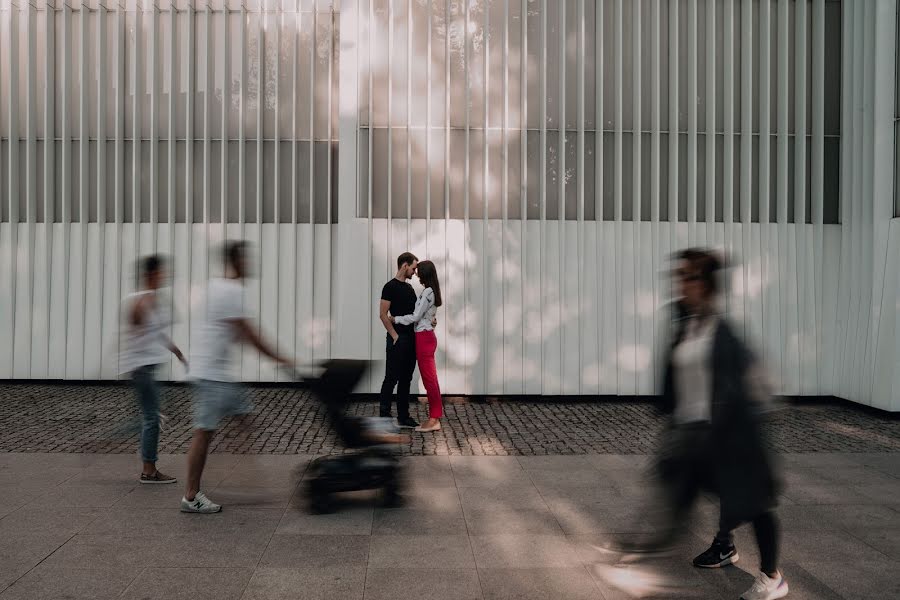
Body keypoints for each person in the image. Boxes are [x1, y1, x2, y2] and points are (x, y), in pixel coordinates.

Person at [654, 248, 788, 600]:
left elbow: (745, 386)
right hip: (697, 435)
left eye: (690, 276)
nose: (681, 282)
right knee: (691, 495)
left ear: (709, 284)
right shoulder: (686, 323)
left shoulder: (722, 331)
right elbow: (676, 379)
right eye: (679, 275)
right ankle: (720, 545)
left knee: (754, 504)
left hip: (732, 436)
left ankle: (772, 576)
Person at [181, 241, 294, 514]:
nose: (250, 264)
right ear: (236, 261)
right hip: (211, 374)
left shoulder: (216, 286)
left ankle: (246, 477)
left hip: (220, 373)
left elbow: (238, 332)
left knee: (244, 419)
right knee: (204, 432)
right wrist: (280, 358)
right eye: (246, 259)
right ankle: (191, 496)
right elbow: (248, 332)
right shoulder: (231, 291)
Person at [120, 255, 187, 484]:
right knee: (152, 418)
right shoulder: (140, 301)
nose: (165, 276)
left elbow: (155, 332)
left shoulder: (154, 299)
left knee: (151, 416)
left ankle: (119, 440)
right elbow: (134, 334)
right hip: (142, 369)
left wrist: (176, 351)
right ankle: (148, 471)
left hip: (147, 368)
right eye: (161, 272)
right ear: (150, 274)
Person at [391, 260, 444, 432]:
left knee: (430, 380)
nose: (417, 274)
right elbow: (426, 315)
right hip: (424, 336)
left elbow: (415, 316)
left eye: (419, 271)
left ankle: (434, 419)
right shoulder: (430, 291)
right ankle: (434, 417)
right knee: (431, 379)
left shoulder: (428, 291)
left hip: (424, 338)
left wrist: (395, 319)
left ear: (425, 273)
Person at [378, 252, 420, 429]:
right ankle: (384, 417)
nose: (415, 271)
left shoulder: (410, 289)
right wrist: (394, 335)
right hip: (397, 340)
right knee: (391, 378)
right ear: (404, 265)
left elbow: (416, 314)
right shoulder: (389, 287)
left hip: (412, 340)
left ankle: (404, 416)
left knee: (406, 379)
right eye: (413, 267)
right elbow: (382, 314)